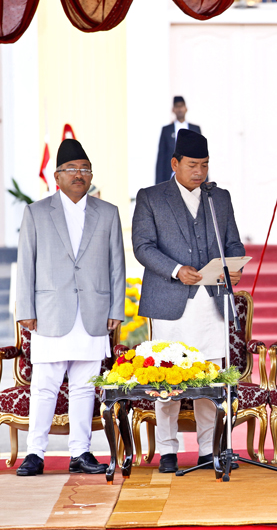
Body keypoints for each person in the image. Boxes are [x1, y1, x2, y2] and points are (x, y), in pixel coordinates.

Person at [133, 129, 245, 474]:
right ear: (175, 163)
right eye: (193, 164)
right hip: (170, 301)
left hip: (211, 302)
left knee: (209, 380)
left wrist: (234, 267)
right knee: (168, 378)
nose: (200, 171)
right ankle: (168, 450)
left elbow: (233, 244)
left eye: (205, 165)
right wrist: (177, 269)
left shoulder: (218, 198)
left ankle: (209, 449)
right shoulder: (151, 197)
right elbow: (143, 247)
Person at [15, 139, 125, 476]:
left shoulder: (108, 213)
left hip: (93, 311)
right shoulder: (36, 212)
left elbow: (117, 265)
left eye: (85, 169)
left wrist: (116, 309)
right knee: (45, 384)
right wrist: (25, 310)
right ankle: (35, 453)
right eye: (72, 169)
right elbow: (26, 264)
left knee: (83, 385)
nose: (79, 175)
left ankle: (81, 452)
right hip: (49, 310)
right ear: (57, 175)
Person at [156, 96, 202, 185]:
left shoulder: (195, 129)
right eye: (177, 106)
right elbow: (161, 158)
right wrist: (158, 184)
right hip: (171, 177)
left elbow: (201, 155)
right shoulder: (167, 130)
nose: (179, 109)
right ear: (173, 109)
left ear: (186, 108)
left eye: (181, 106)